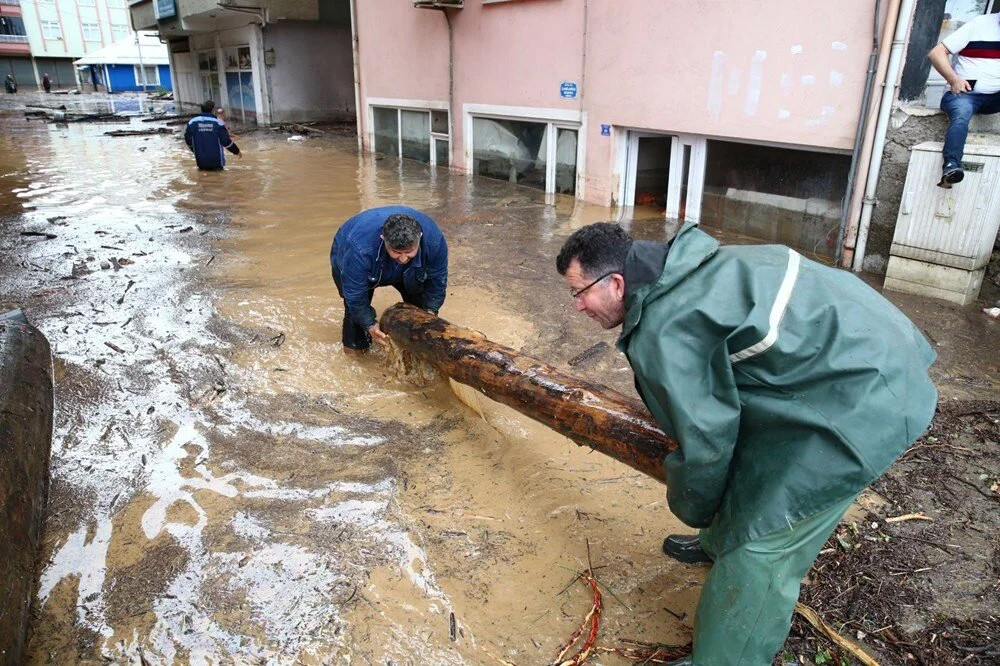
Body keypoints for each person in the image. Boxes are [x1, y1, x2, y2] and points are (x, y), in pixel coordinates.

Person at [556, 222, 937, 665]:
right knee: (749, 469)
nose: (578, 306)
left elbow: (707, 444)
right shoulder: (696, 263)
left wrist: (694, 506)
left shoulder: (666, 328)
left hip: (865, 399)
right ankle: (716, 543)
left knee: (762, 547)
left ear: (617, 284)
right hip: (869, 349)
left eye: (579, 292)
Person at [330, 206, 448, 355]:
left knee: (421, 314)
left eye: (409, 252)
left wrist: (431, 311)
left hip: (412, 270)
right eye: (397, 252)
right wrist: (370, 325)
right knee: (355, 316)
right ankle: (357, 353)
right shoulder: (359, 249)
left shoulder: (434, 241)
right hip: (357, 255)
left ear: (420, 237)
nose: (403, 258)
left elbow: (437, 280)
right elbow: (354, 295)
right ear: (383, 238)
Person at [928, 12, 1000, 186]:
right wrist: (954, 79)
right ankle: (951, 166)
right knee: (961, 115)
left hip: (995, 96)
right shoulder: (979, 24)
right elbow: (936, 53)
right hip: (965, 94)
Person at [183, 99, 242, 171]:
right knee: (218, 179)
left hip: (200, 160)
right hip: (216, 161)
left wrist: (194, 150)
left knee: (203, 179)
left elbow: (187, 139)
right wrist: (236, 151)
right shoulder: (218, 123)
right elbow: (225, 141)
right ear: (213, 110)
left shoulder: (192, 122)